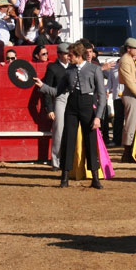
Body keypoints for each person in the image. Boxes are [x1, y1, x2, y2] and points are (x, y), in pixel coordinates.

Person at [34, 42, 106, 189]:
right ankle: (64, 177)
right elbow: (57, 92)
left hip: (87, 105)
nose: (68, 57)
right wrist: (43, 86)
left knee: (90, 141)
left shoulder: (94, 69)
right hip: (71, 106)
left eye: (71, 55)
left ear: (79, 56)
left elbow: (102, 96)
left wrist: (98, 116)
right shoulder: (69, 71)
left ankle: (95, 178)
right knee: (68, 140)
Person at [42, 42, 71, 169]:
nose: (69, 56)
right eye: (66, 53)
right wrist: (49, 109)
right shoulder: (52, 68)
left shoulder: (73, 66)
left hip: (73, 99)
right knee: (59, 130)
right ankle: (56, 161)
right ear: (59, 54)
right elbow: (47, 90)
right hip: (59, 100)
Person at [118, 37, 136, 161]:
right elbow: (129, 82)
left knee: (133, 122)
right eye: (135, 48)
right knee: (130, 123)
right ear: (128, 49)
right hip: (132, 93)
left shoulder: (128, 59)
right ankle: (127, 152)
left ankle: (130, 151)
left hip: (133, 92)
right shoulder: (125, 60)